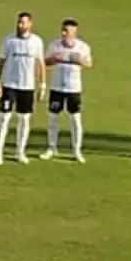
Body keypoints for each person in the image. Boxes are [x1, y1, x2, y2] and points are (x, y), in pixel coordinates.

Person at [0, 12, 46, 165]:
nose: (20, 25)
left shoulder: (36, 41)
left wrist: (42, 84)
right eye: (18, 22)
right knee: (4, 118)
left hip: (27, 86)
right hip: (9, 85)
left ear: (30, 24)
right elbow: (1, 61)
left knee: (24, 119)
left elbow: (40, 63)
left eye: (23, 23)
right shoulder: (9, 40)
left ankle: (20, 152)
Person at [43, 19, 92, 162]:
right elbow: (45, 62)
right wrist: (53, 59)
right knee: (53, 118)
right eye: (63, 30)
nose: (64, 33)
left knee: (75, 119)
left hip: (73, 89)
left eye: (67, 31)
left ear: (74, 32)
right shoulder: (54, 45)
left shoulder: (83, 47)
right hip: (56, 88)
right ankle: (52, 148)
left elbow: (89, 64)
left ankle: (77, 150)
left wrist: (80, 60)